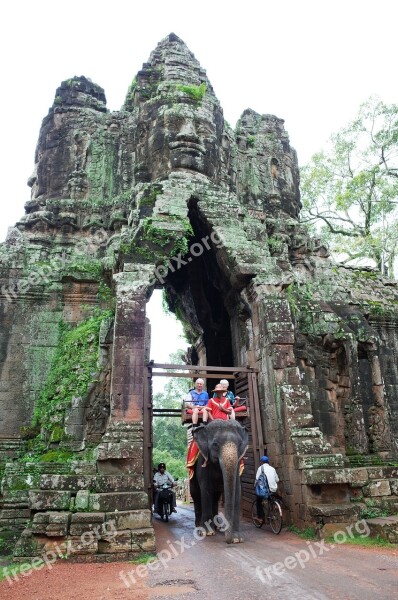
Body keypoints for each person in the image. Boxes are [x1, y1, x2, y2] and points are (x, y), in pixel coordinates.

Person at [254, 456, 279, 521]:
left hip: (265, 491)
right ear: (268, 462)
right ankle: (274, 508)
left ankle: (260, 517)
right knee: (271, 498)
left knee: (258, 501)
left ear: (261, 462)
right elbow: (277, 480)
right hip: (273, 490)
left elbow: (257, 479)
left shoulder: (260, 468)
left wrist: (255, 486)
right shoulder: (272, 469)